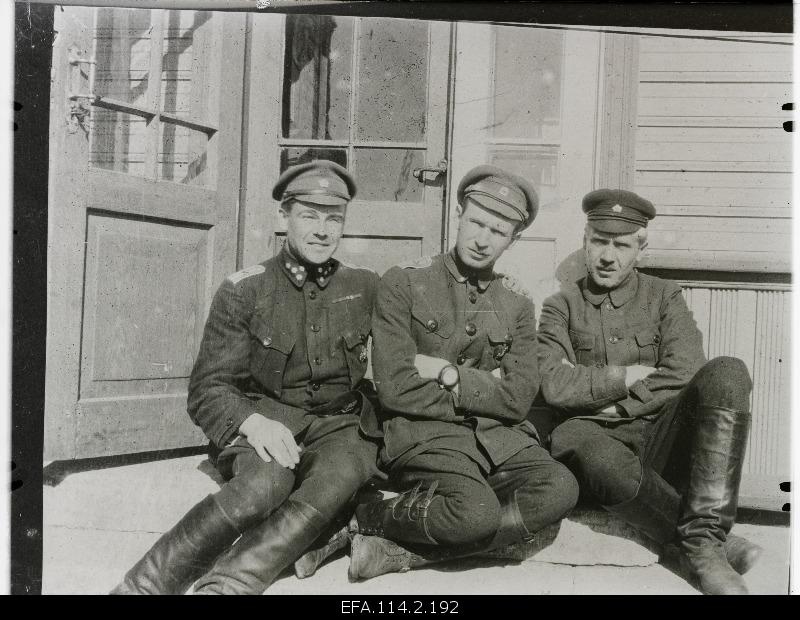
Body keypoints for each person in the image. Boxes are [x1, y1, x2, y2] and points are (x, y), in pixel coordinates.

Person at [111, 160, 382, 595]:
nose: (322, 231)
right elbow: (208, 389)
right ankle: (144, 586)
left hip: (337, 426)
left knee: (341, 474)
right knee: (265, 484)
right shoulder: (245, 289)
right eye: (309, 216)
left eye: (334, 219)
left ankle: (227, 586)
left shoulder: (364, 286)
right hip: (264, 418)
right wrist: (254, 423)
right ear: (283, 216)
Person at [296, 165, 579, 582]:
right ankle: (364, 515)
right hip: (421, 432)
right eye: (476, 223)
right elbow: (396, 388)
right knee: (475, 512)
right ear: (458, 215)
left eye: (498, 232)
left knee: (560, 487)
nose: (482, 239)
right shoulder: (404, 282)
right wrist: (488, 388)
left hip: (496, 439)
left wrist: (446, 373)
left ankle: (393, 547)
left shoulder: (517, 302)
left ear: (513, 239)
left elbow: (518, 398)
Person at [536, 189, 761, 595]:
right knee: (575, 438)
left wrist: (619, 408)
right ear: (585, 241)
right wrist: (624, 377)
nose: (608, 256)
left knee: (728, 371)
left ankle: (703, 540)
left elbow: (686, 370)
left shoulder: (663, 296)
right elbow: (554, 384)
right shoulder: (560, 307)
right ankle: (707, 546)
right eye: (599, 242)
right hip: (601, 450)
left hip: (659, 439)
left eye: (621, 245)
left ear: (641, 248)